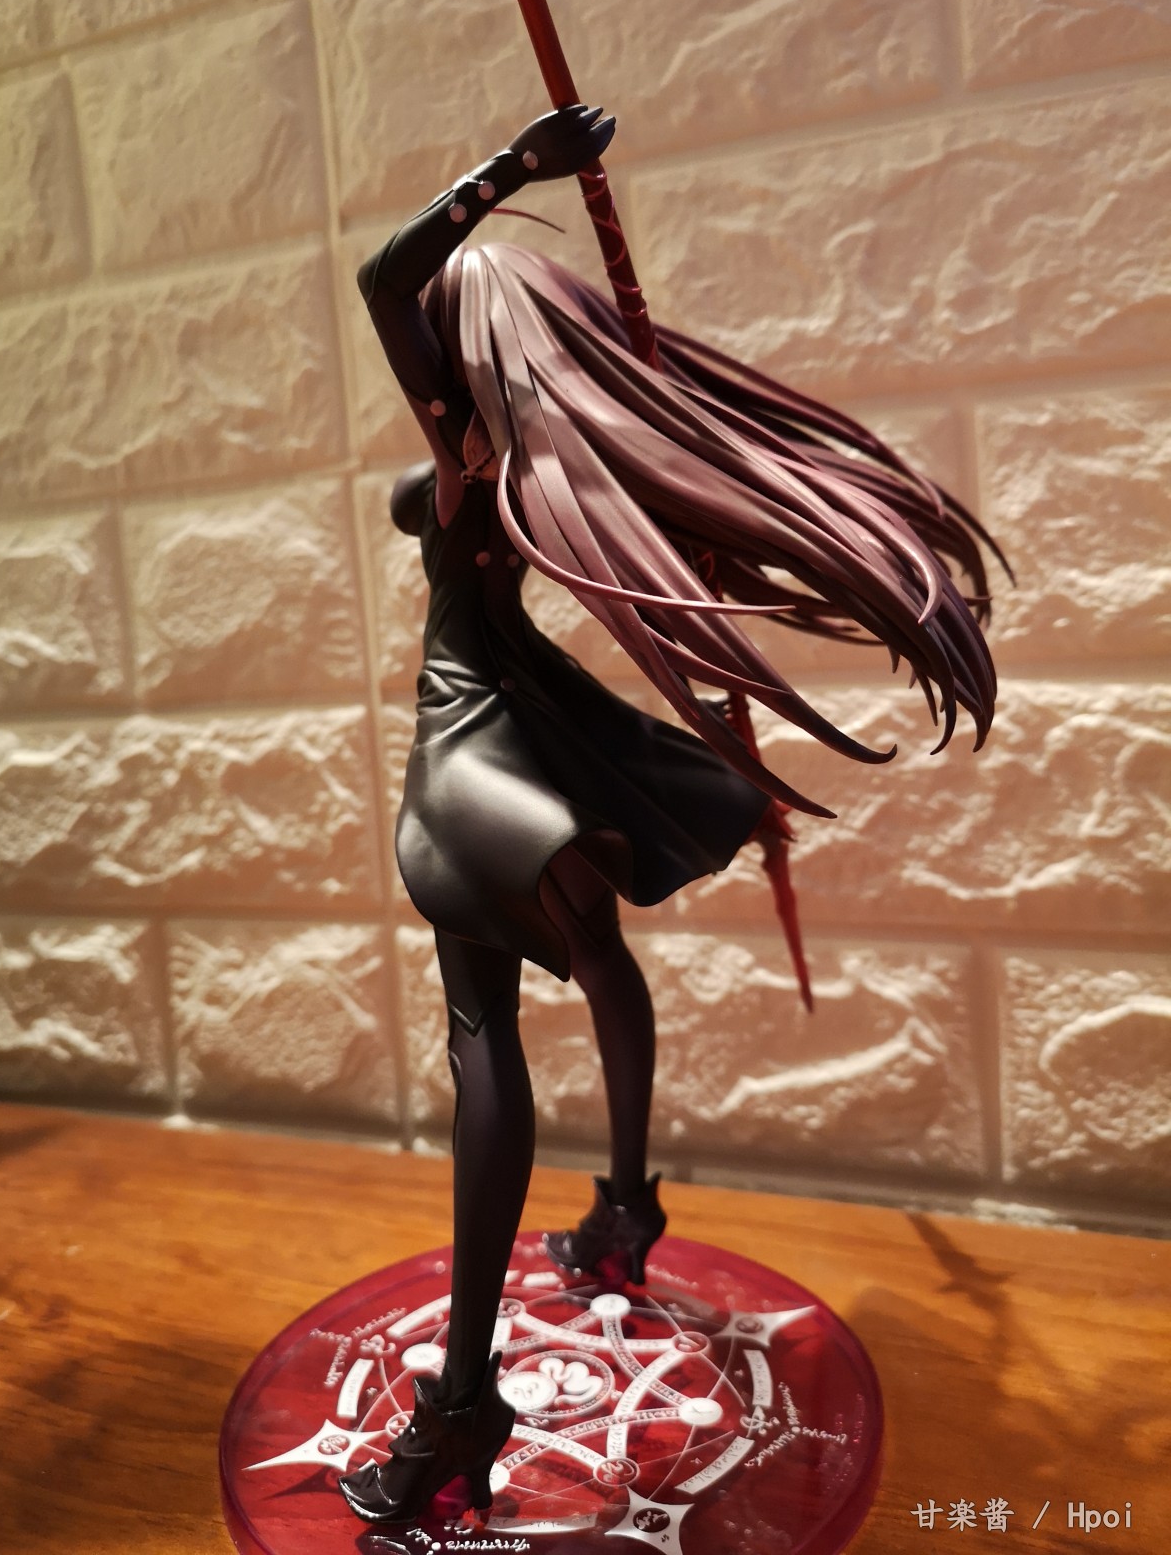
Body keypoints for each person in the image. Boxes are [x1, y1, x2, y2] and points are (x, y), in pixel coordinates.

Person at [339, 105, 1003, 1525]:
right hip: (535, 723)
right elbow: (418, 404)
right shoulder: (536, 457)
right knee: (598, 956)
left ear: (468, 348)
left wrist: (513, 173)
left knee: (480, 1035)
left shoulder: (466, 439)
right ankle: (625, 1210)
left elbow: (383, 276)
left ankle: (463, 1404)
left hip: (474, 738)